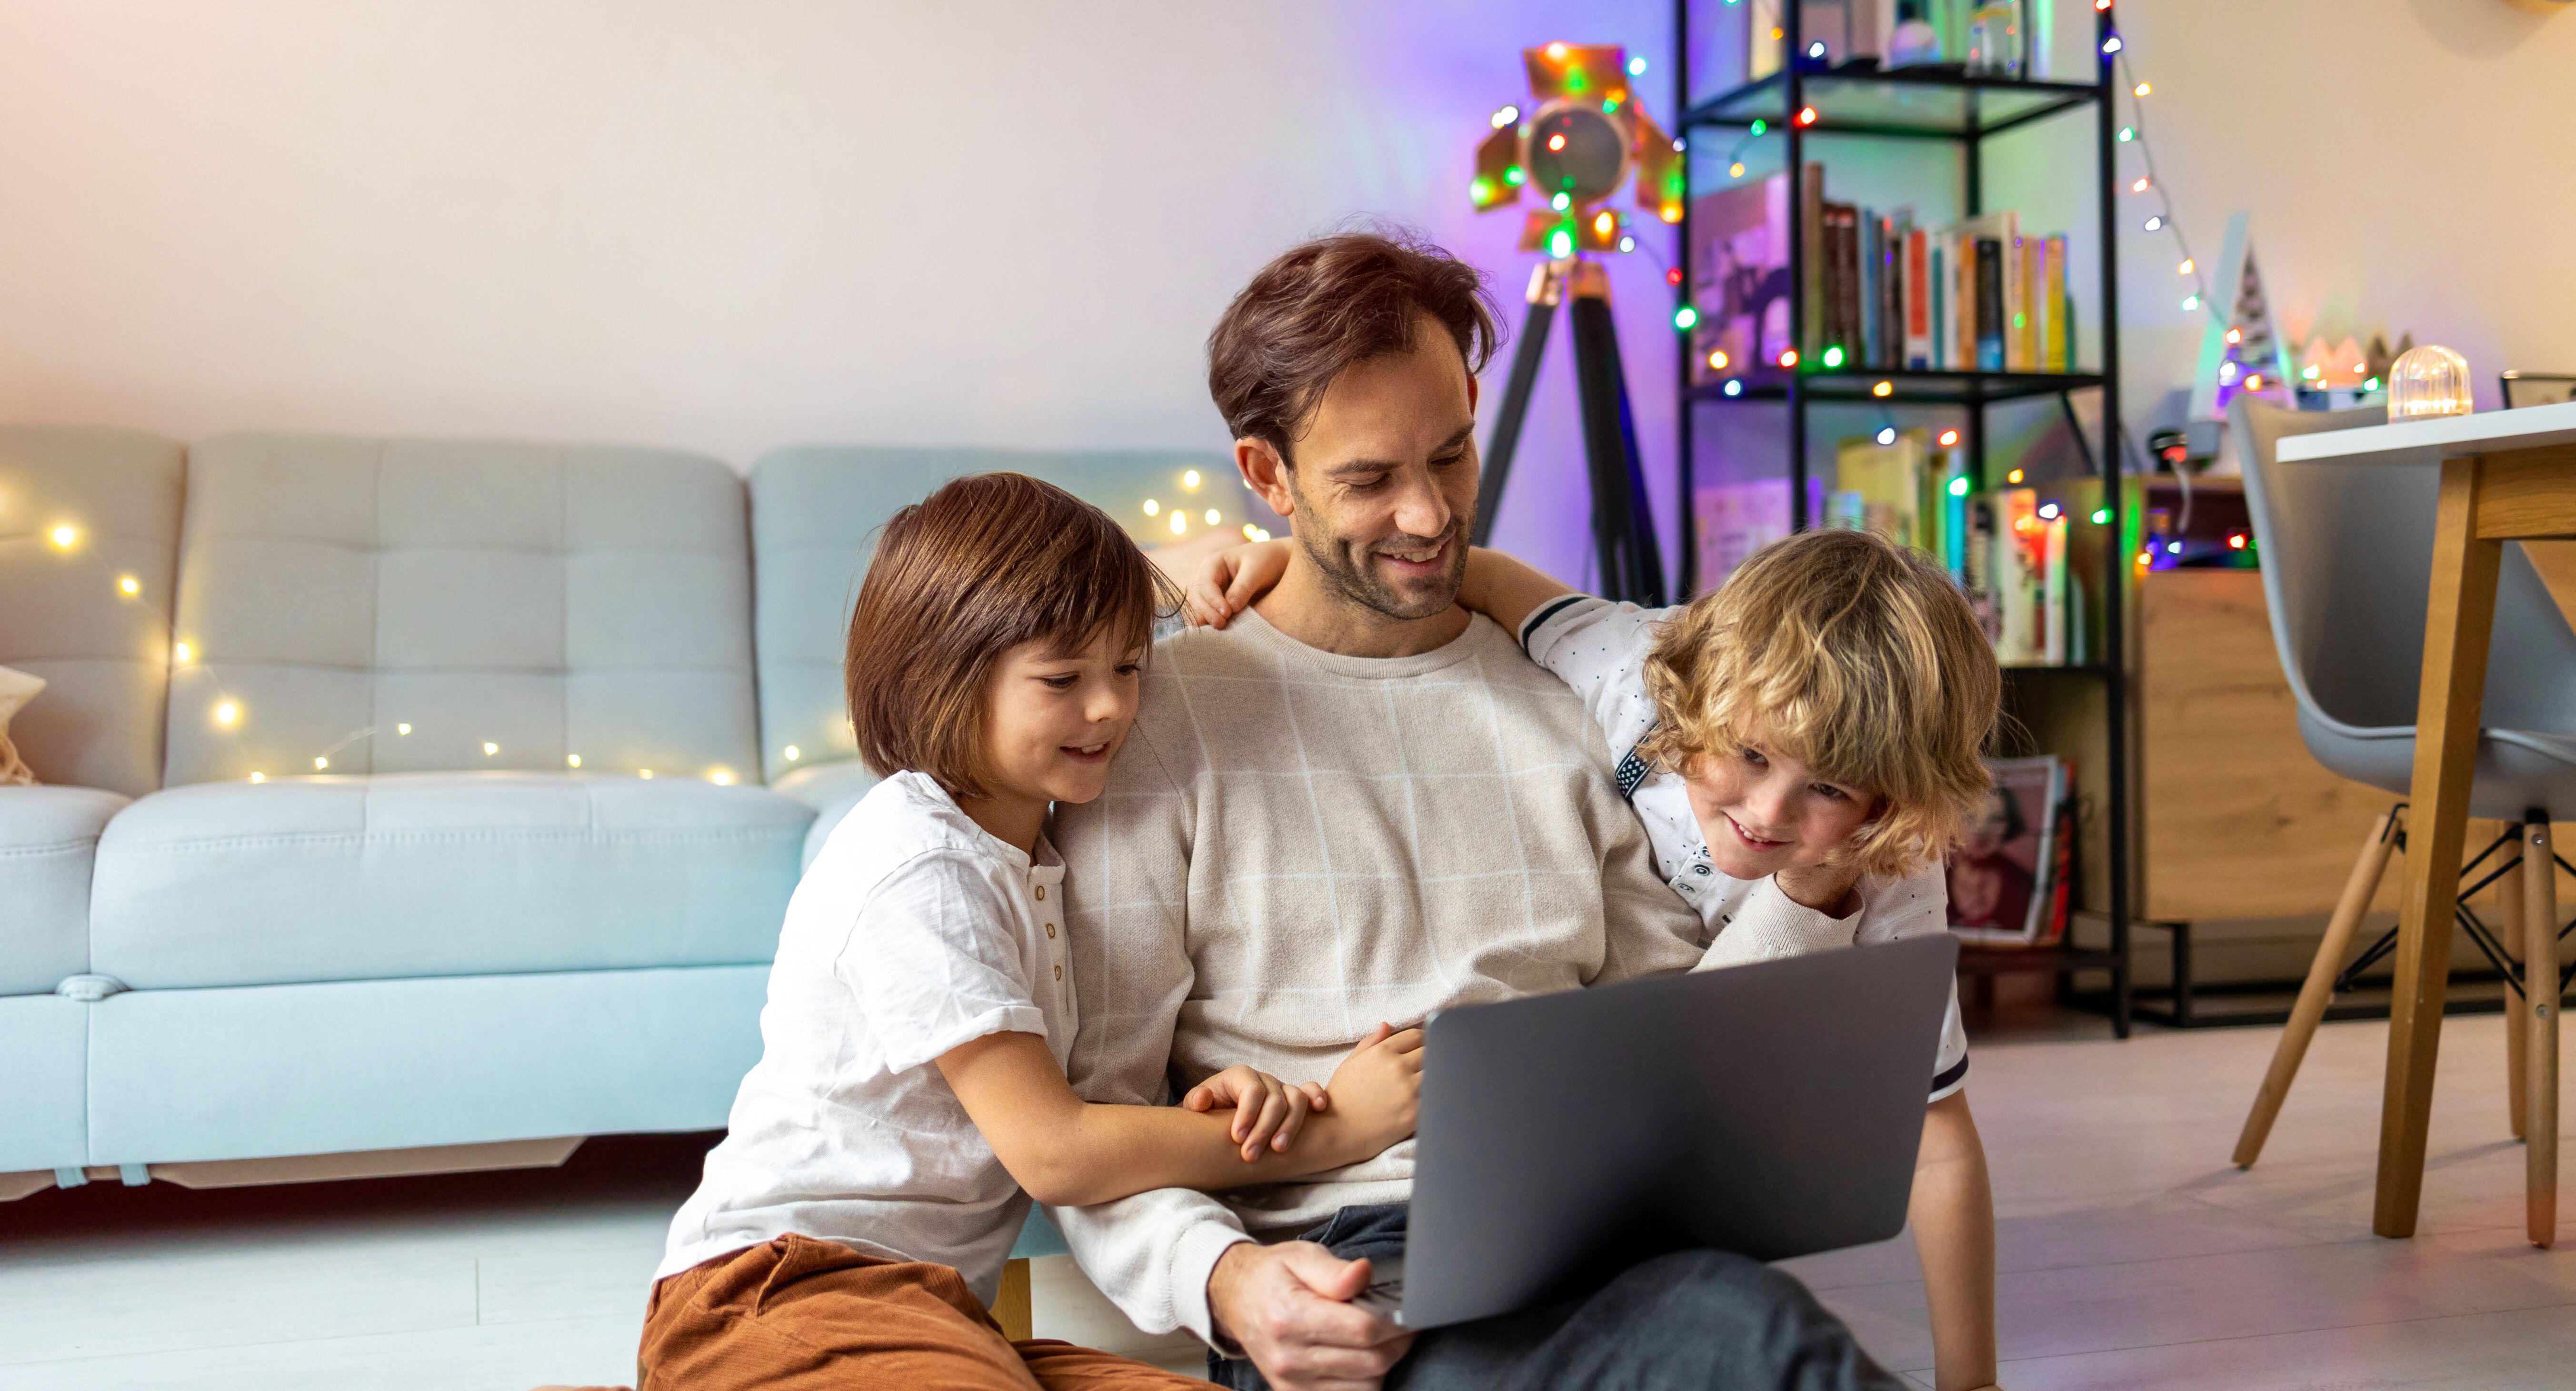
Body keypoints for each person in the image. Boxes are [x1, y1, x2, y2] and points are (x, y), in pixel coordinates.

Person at [1048, 229, 1914, 1391]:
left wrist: (1813, 892)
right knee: (1748, 1340)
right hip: (1332, 1283)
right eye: (1367, 479)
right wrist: (1223, 1281)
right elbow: (1096, 1116)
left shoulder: (1561, 706)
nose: (1427, 515)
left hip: (1591, 1241)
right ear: (1265, 476)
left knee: (1745, 1325)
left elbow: (1673, 1040)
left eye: (1450, 455)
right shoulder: (1151, 724)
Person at [632, 473, 1425, 1391]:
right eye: (1063, 680)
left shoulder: (1034, 854)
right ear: (941, 672)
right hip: (779, 1290)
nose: (1110, 707)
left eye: (1128, 668)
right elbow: (1055, 1150)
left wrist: (1222, 1102)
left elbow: (1161, 578)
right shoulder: (921, 865)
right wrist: (1337, 1131)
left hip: (936, 1312)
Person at [1191, 525, 2007, 1391]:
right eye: (1752, 754)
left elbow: (1940, 1139)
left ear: (1891, 804)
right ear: (1698, 689)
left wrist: (1973, 1379)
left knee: (1747, 1322)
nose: (1768, 811)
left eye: (1831, 789)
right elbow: (1489, 574)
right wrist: (1288, 556)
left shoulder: (1892, 870)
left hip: (1662, 1135)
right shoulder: (1629, 664)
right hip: (1466, 1177)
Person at [1947, 785, 2036, 935]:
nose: (1982, 830)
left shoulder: (2024, 883)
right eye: (1971, 817)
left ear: (2010, 825)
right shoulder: (1930, 876)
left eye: (1995, 820)